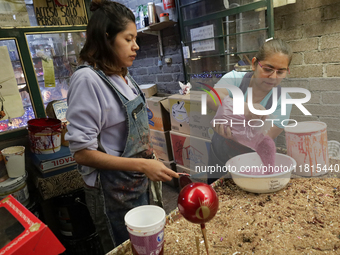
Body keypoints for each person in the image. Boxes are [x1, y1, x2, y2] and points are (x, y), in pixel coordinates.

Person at [65, 0, 178, 252]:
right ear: (107, 38)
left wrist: (149, 160)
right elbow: (82, 153)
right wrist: (142, 164)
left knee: (147, 245)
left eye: (135, 38)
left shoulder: (122, 75)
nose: (136, 46)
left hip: (136, 182)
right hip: (111, 192)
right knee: (125, 248)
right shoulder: (87, 80)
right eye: (128, 39)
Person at [207, 38, 293, 184]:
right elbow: (211, 98)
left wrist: (231, 120)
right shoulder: (235, 79)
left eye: (280, 72)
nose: (273, 77)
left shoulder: (284, 100)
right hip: (220, 158)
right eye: (267, 69)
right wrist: (244, 108)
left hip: (254, 162)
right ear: (254, 64)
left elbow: (263, 138)